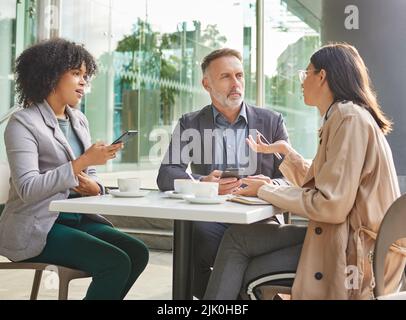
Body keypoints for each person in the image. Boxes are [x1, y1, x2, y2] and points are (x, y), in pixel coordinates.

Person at [204, 43, 406, 300]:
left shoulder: (348, 118)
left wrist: (264, 189)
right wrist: (288, 154)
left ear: (322, 76)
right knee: (237, 238)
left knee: (244, 266)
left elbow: (330, 205)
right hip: (339, 237)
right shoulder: (344, 116)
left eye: (306, 73)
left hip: (349, 252)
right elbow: (330, 184)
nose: (302, 81)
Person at [0, 38, 149, 300]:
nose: (83, 82)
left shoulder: (78, 119)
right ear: (51, 75)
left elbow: (89, 176)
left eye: (85, 75)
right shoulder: (22, 123)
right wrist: (82, 162)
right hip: (38, 225)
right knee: (115, 262)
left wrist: (95, 187)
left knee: (137, 252)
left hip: (77, 219)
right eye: (76, 73)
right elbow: (27, 188)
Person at [157, 48, 289, 299]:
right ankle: (244, 295)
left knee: (224, 250)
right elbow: (166, 174)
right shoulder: (191, 122)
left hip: (258, 219)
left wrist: (268, 184)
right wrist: (203, 184)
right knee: (188, 240)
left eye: (239, 75)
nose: (236, 83)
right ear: (207, 84)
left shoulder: (271, 121)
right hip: (211, 220)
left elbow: (291, 178)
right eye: (226, 77)